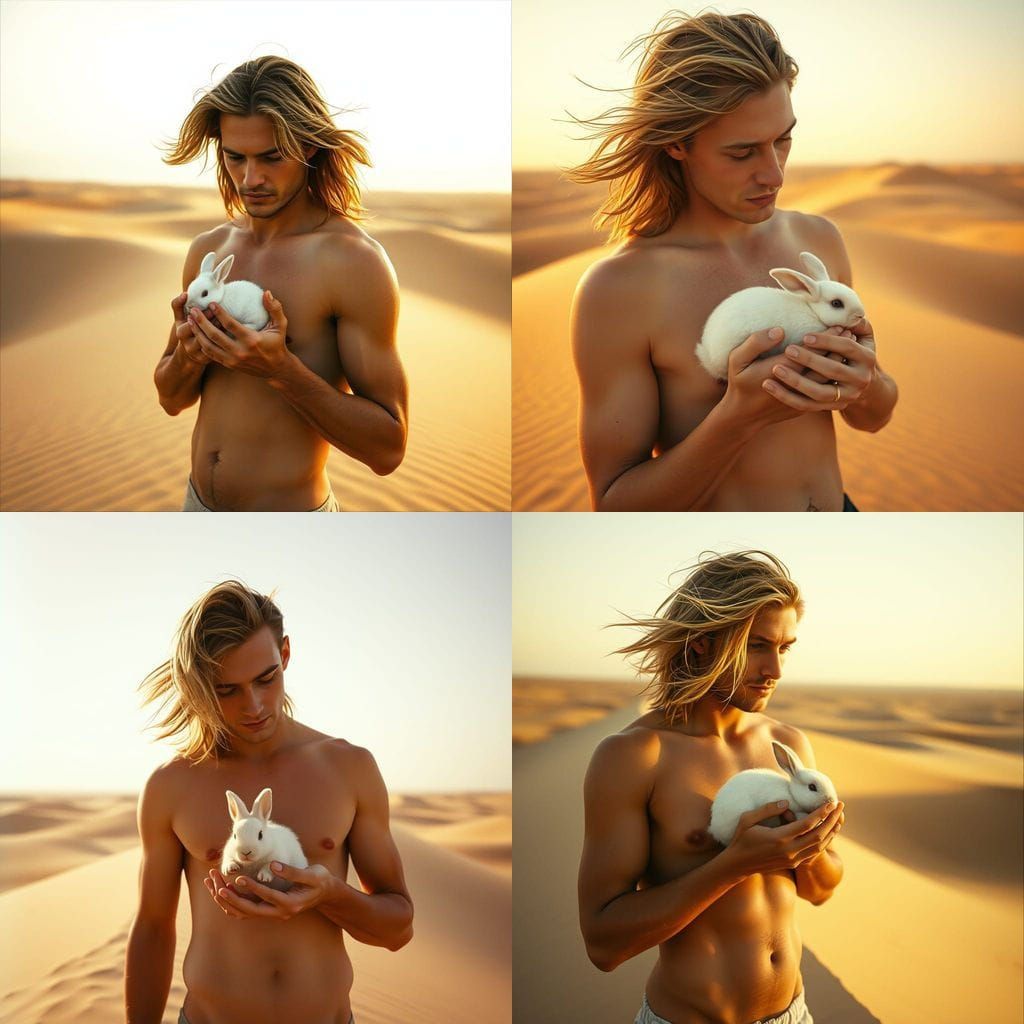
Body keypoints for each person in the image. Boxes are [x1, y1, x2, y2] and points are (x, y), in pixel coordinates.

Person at [569, 12, 898, 511]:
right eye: (743, 152)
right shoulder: (620, 288)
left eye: (782, 139)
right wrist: (738, 416)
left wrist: (866, 384)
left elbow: (873, 418)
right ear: (677, 143)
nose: (774, 173)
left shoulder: (819, 239)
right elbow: (615, 503)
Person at [125, 581, 413, 1024]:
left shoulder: (349, 767)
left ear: (286, 654)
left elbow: (398, 930)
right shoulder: (171, 786)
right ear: (201, 686)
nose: (254, 705)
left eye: (266, 678)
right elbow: (152, 930)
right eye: (227, 690)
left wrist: (328, 894)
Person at [578, 551, 845, 1024]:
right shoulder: (636, 756)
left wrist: (813, 846)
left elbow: (821, 891)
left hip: (794, 1014)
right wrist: (735, 865)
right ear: (702, 643)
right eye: (757, 646)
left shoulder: (788, 743)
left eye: (784, 649)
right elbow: (603, 943)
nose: (775, 671)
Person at [157, 57, 408, 510]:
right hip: (194, 505)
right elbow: (171, 398)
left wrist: (281, 371)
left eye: (271, 157)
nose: (250, 179)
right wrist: (189, 356)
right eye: (235, 157)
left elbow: (388, 448)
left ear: (309, 147)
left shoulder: (353, 263)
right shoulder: (207, 252)